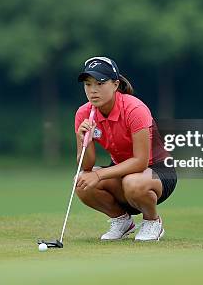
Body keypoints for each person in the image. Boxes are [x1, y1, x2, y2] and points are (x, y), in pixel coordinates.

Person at [74, 56, 177, 241]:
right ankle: (121, 221)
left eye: (100, 83)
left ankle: (153, 221)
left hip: (158, 172)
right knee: (81, 181)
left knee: (133, 183)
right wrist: (85, 140)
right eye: (88, 85)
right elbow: (86, 166)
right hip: (123, 172)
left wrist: (98, 175)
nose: (93, 90)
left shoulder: (134, 109)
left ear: (115, 84)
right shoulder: (84, 113)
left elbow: (140, 161)